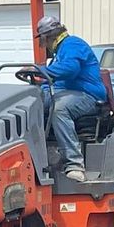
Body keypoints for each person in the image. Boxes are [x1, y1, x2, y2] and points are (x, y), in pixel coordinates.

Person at [34, 16, 106, 183]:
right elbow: (54, 82)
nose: (44, 45)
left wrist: (40, 70)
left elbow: (70, 69)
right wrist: (39, 90)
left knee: (59, 109)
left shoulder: (72, 44)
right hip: (69, 93)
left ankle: (75, 164)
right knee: (32, 102)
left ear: (48, 37)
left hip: (89, 96)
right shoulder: (59, 54)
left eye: (43, 40)